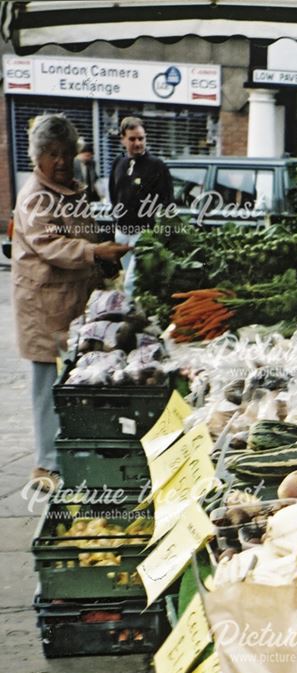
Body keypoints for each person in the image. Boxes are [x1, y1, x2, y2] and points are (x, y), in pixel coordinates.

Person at [12, 114, 127, 493]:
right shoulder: (34, 197)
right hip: (45, 307)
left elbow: (83, 237)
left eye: (66, 153)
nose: (60, 161)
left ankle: (71, 453)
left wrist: (104, 261)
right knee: (47, 385)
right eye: (51, 154)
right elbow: (52, 245)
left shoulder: (71, 190)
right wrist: (96, 251)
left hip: (73, 304)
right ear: (35, 156)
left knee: (70, 383)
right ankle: (45, 464)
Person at [108, 116, 173, 299]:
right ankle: (139, 314)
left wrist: (156, 230)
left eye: (141, 138)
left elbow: (167, 200)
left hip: (144, 233)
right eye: (132, 139)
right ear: (122, 139)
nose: (138, 143)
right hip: (122, 232)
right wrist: (117, 219)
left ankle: (129, 316)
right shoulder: (118, 163)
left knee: (131, 282)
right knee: (130, 277)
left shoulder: (157, 166)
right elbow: (114, 194)